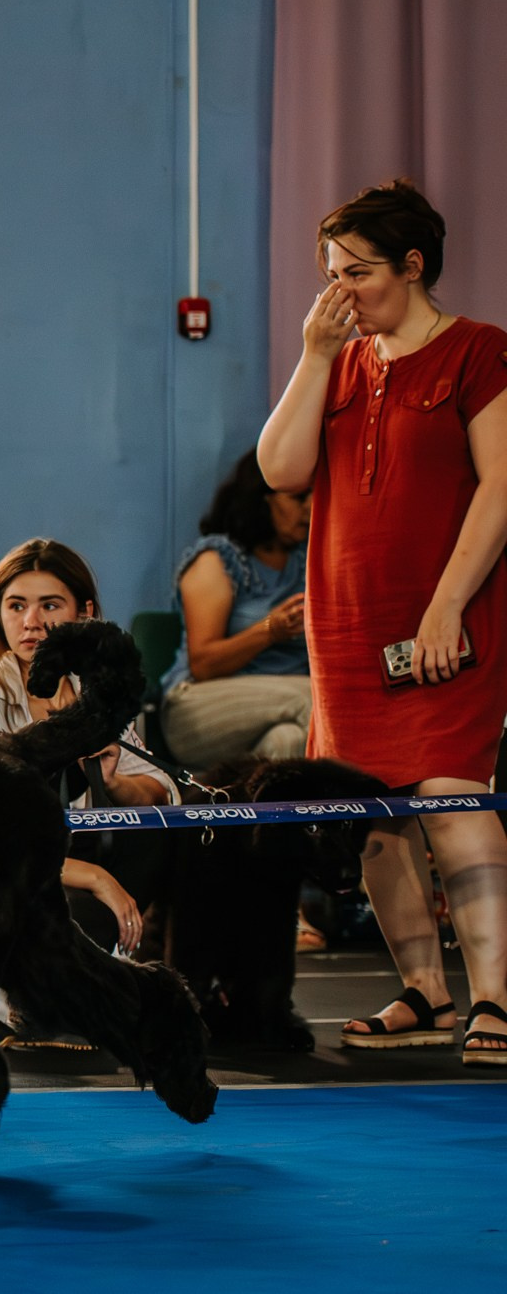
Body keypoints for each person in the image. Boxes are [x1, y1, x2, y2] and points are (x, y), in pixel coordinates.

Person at [257, 179, 507, 1066]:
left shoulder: (479, 352)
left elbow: (500, 490)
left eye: (357, 273)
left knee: (451, 796)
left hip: (444, 619)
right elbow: (282, 469)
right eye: (330, 273)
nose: (340, 291)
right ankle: (424, 989)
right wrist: (314, 355)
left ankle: (494, 1000)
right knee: (370, 812)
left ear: (413, 266)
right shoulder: (342, 361)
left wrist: (446, 603)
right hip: (347, 625)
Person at [0, 540, 175, 974]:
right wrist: (96, 877)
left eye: (49, 605)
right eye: (15, 606)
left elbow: (160, 791)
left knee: (165, 833)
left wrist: (114, 781)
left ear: (83, 613)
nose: (31, 623)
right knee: (78, 912)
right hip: (12, 873)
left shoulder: (95, 692)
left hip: (84, 852)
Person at [159, 448, 312, 768]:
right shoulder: (218, 560)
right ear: (262, 500)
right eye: (299, 499)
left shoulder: (308, 560)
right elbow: (203, 664)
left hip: (281, 712)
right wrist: (270, 630)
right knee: (313, 699)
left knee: (287, 741)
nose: (311, 508)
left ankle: (264, 819)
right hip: (200, 706)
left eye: (315, 496)